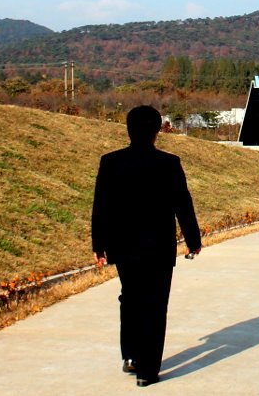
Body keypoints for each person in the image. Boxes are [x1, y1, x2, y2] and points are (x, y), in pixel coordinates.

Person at [92, 105, 202, 387]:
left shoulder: (111, 162)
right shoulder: (169, 163)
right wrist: (193, 241)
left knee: (129, 297)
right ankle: (147, 371)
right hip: (158, 247)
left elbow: (101, 207)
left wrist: (99, 244)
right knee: (154, 305)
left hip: (123, 245)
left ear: (128, 129)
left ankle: (130, 355)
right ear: (157, 131)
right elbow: (183, 205)